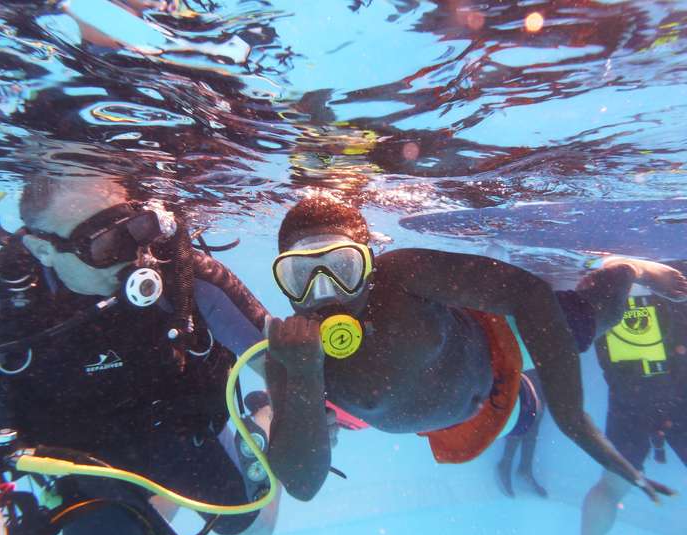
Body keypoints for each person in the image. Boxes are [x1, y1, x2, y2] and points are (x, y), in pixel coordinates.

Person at [264, 195, 687, 503]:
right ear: (282, 279)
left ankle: (623, 269)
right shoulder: (287, 358)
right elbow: (302, 486)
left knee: (599, 318)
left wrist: (574, 420)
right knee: (526, 416)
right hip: (459, 421)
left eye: (342, 268)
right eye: (301, 275)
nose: (325, 292)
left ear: (369, 262)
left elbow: (529, 295)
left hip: (494, 346)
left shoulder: (403, 275)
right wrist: (303, 372)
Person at [0, 177, 287, 535]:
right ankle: (148, 497)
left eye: (136, 231)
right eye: (103, 245)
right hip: (74, 455)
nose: (135, 258)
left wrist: (297, 409)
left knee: (252, 530)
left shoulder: (183, 275)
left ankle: (263, 416)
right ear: (43, 250)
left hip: (176, 429)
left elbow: (278, 362)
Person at [580, 280, 687, 535]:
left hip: (628, 396)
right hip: (679, 392)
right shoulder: (674, 275)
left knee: (611, 485)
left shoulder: (603, 281)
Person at [495, 368, 548, 498]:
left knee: (535, 422)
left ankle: (525, 468)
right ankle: (505, 464)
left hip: (545, 367)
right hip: (529, 365)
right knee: (524, 415)